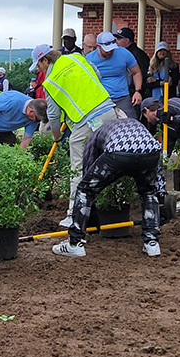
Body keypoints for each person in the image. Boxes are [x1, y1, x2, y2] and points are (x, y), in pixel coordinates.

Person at [31, 43, 121, 228]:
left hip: (87, 120)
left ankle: (74, 213)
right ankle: (114, 202)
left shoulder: (51, 82)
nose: (38, 70)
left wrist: (56, 136)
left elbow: (54, 116)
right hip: (108, 109)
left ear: (45, 60)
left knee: (77, 168)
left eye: (38, 65)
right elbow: (97, 75)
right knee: (110, 160)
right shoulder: (78, 58)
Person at [52, 118, 164, 258]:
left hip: (119, 152)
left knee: (84, 190)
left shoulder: (95, 136)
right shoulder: (133, 124)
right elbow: (157, 168)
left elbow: (88, 168)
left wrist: (90, 211)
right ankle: (152, 243)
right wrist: (162, 196)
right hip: (151, 152)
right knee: (148, 191)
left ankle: (75, 244)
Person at [86, 32, 143, 118]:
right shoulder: (90, 59)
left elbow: (136, 72)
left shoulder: (124, 53)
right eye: (106, 49)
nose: (109, 51)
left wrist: (137, 91)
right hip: (101, 99)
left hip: (122, 97)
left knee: (130, 122)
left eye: (112, 49)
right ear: (99, 46)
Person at [115, 27, 151, 98]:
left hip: (132, 94)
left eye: (119, 39)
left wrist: (136, 91)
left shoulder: (138, 55)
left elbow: (140, 74)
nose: (116, 42)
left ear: (127, 40)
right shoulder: (120, 53)